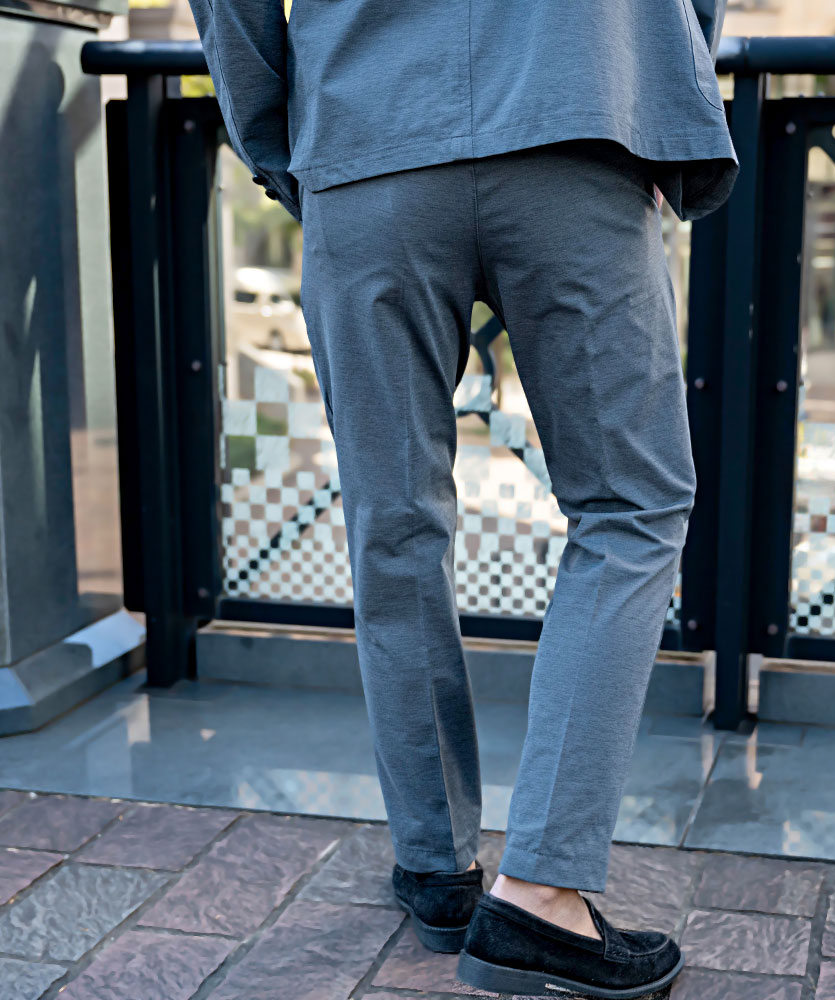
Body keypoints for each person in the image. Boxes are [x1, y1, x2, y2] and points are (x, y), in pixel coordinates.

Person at [186, 1, 737, 995]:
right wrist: (649, 77)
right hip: (579, 109)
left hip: (366, 137)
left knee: (392, 518)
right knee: (630, 509)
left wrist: (285, 137)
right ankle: (541, 889)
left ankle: (437, 865)